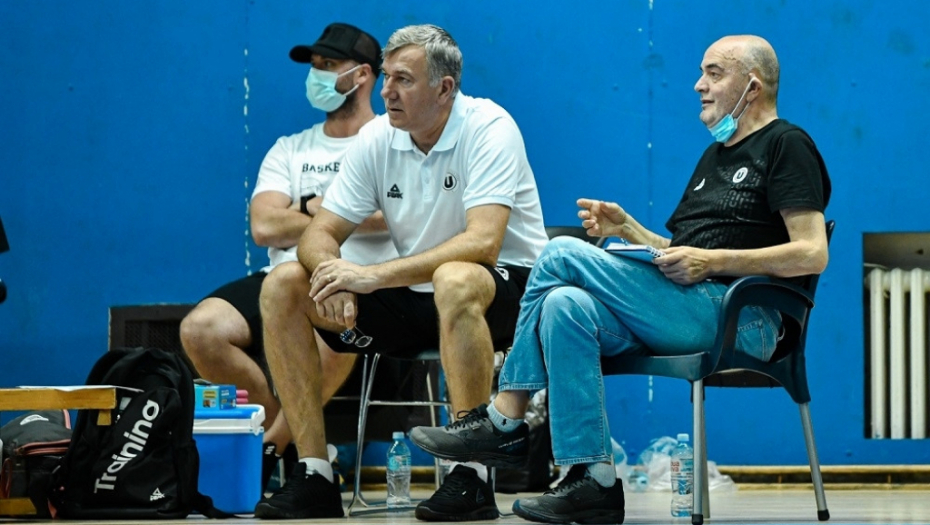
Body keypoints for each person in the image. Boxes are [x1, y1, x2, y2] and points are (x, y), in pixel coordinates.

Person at [410, 34, 832, 524]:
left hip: (745, 318)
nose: (698, 85)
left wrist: (713, 262)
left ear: (753, 87)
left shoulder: (787, 144)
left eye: (714, 73)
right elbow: (681, 253)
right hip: (688, 304)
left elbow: (812, 253)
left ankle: (505, 416)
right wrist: (628, 229)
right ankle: (594, 480)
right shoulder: (713, 157)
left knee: (560, 251)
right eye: (702, 73)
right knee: (564, 306)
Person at [253, 24, 549, 521]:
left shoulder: (490, 127)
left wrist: (371, 276)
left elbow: (483, 242)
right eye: (386, 76)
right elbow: (317, 234)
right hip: (417, 297)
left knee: (455, 276)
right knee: (283, 283)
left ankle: (471, 476)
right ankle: (314, 474)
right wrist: (329, 273)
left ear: (444, 88)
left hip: (509, 294)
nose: (386, 91)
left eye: (403, 80)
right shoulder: (377, 138)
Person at [179, 22, 397, 491]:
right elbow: (264, 226)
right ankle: (296, 443)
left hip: (356, 277)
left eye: (328, 65)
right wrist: (332, 212)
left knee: (334, 322)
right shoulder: (291, 148)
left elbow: (398, 215)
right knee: (201, 329)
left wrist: (318, 209)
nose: (316, 75)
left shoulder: (390, 140)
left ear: (362, 75)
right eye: (314, 65)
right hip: (281, 273)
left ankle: (265, 452)